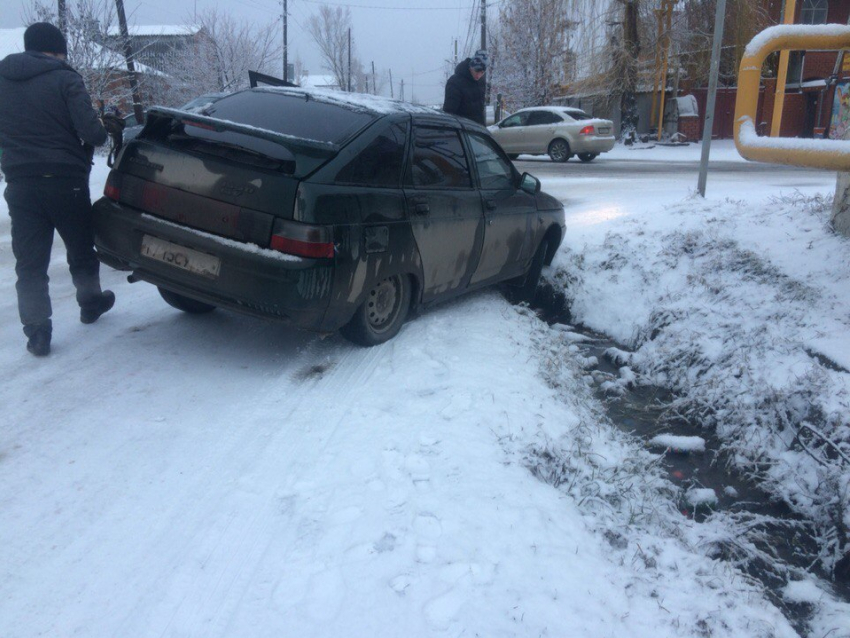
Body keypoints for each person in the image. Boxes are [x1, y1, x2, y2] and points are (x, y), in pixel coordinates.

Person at [0, 23, 124, 357]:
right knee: (80, 248)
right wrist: (105, 126)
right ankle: (90, 302)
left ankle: (38, 332)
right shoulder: (65, 78)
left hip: (20, 182)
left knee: (29, 263)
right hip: (64, 179)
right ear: (56, 50)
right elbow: (93, 135)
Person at [443, 49, 488, 126]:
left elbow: (480, 110)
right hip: (462, 131)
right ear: (471, 67)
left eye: (482, 73)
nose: (478, 75)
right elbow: (449, 112)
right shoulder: (455, 82)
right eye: (476, 71)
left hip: (478, 130)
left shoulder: (481, 82)